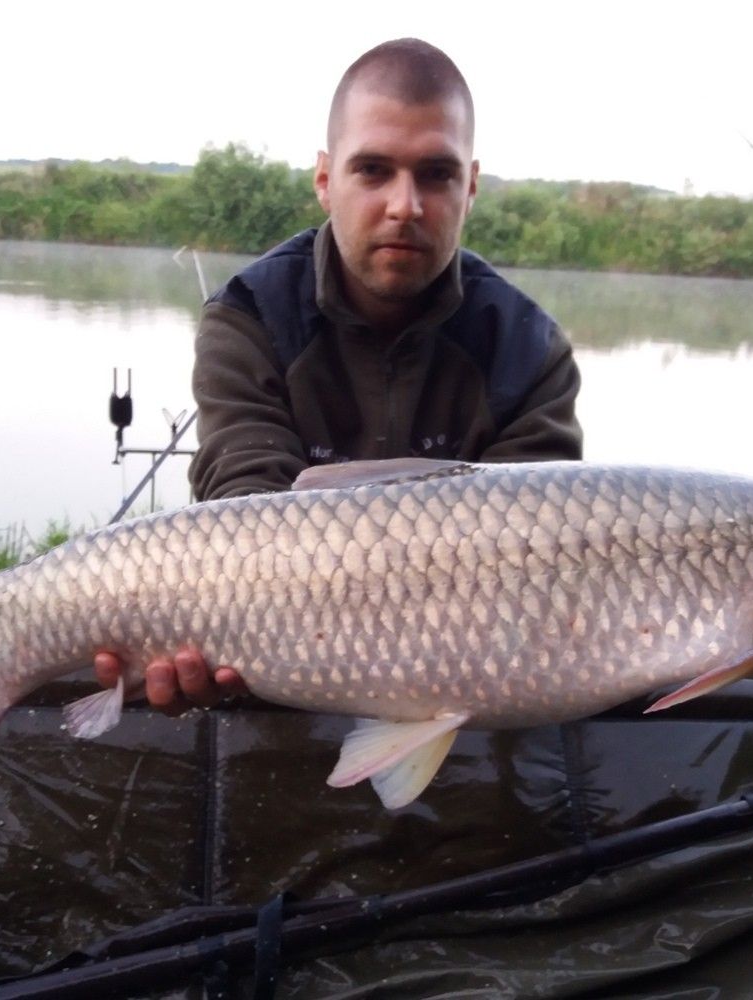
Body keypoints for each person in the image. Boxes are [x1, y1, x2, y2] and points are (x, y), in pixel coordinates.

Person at [95, 37, 583, 713]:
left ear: (470, 185)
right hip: (273, 641)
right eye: (373, 170)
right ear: (325, 179)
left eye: (435, 174)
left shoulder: (528, 348)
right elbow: (241, 515)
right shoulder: (250, 317)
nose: (404, 205)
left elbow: (547, 565)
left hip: (472, 676)